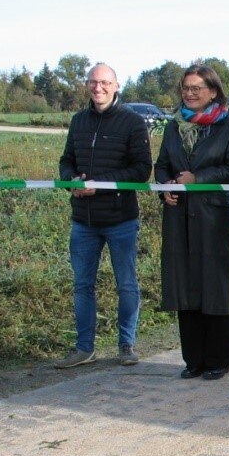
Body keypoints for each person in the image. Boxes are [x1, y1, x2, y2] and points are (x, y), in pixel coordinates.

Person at [55, 63, 152, 368]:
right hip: (83, 221)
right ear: (87, 85)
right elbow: (66, 160)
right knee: (82, 285)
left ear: (116, 85)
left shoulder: (132, 122)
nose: (98, 88)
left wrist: (100, 185)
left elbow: (141, 170)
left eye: (105, 83)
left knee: (126, 284)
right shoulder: (78, 121)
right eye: (94, 82)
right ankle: (84, 348)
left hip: (120, 219)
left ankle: (127, 344)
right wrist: (71, 179)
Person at [155, 65, 229, 380]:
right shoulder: (172, 126)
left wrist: (198, 179)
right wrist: (164, 187)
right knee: (186, 284)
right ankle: (193, 359)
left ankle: (219, 358)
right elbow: (162, 164)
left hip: (214, 217)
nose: (190, 93)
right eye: (186, 88)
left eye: (197, 88)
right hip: (179, 218)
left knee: (215, 285)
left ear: (213, 91)